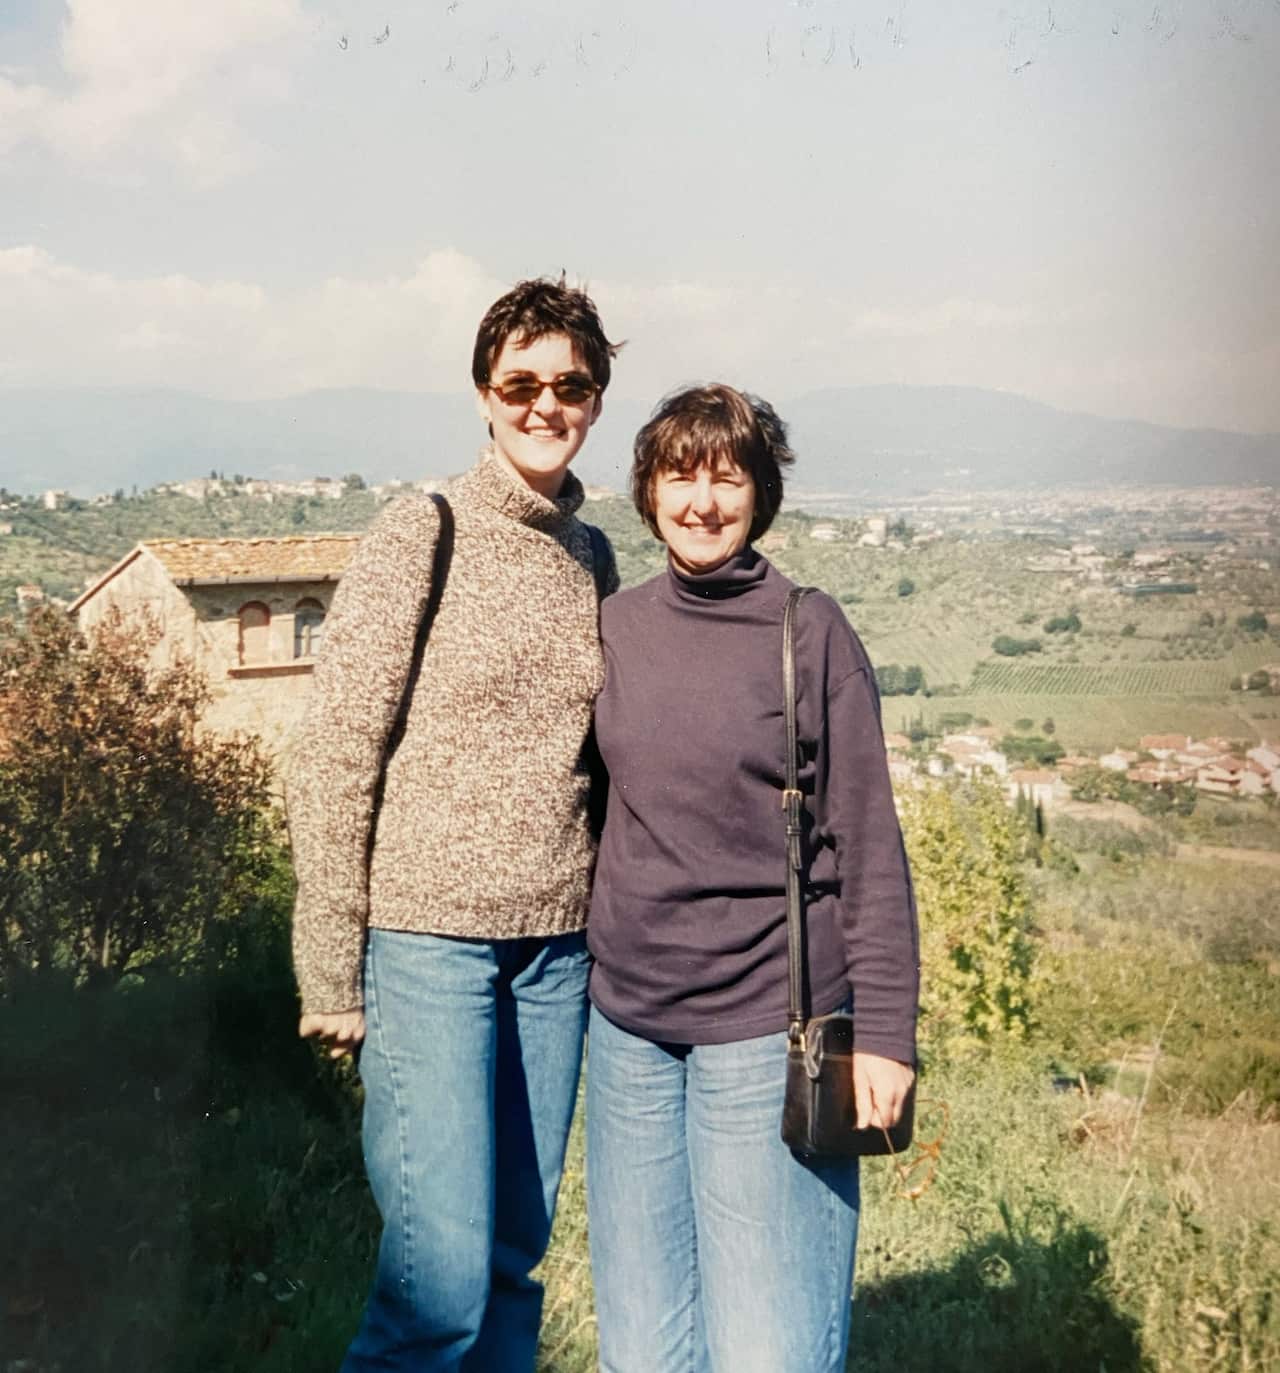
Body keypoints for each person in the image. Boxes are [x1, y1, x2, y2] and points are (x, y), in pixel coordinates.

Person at [287, 277, 620, 1372]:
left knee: (511, 1262)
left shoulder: (591, 557)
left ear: (595, 400)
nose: (544, 404)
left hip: (555, 951)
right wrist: (331, 967)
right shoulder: (420, 530)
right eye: (520, 383)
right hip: (429, 943)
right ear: (483, 394)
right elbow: (337, 749)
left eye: (569, 384)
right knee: (434, 1285)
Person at [585, 383, 919, 1373]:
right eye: (679, 475)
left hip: (767, 1025)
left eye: (726, 478)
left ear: (760, 494)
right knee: (643, 1348)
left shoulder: (809, 633)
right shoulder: (616, 626)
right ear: (648, 490)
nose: (701, 501)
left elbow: (867, 841)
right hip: (629, 1035)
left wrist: (886, 1034)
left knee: (767, 1347)